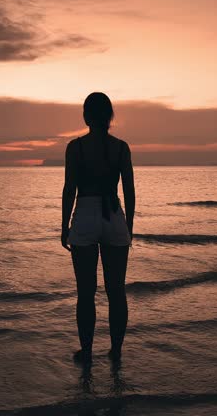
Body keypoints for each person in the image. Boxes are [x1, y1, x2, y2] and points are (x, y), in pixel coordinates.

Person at [61, 92, 135, 365]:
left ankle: (88, 352)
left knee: (85, 292)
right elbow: (129, 189)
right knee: (116, 291)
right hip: (114, 216)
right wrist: (128, 226)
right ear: (110, 116)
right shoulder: (121, 147)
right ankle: (116, 351)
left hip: (86, 215)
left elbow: (70, 189)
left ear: (86, 116)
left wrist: (64, 225)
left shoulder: (76, 148)